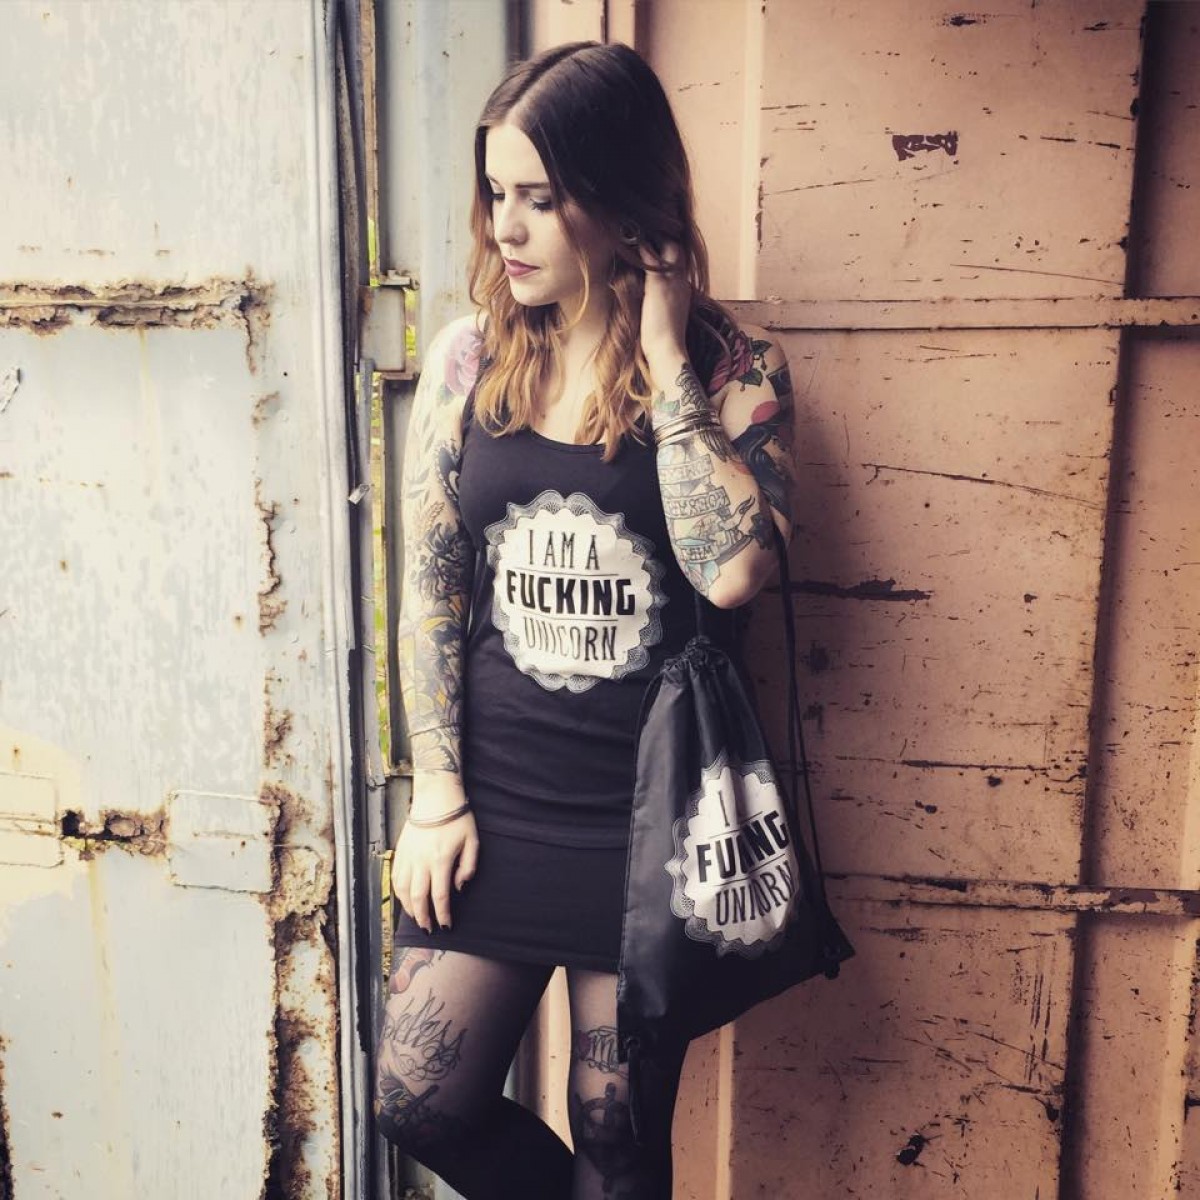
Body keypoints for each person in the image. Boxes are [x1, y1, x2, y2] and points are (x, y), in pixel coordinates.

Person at [376, 40, 796, 1200]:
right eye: (495, 194)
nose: (505, 229)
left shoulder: (733, 369)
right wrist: (436, 792)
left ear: (619, 200)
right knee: (418, 1097)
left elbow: (732, 574)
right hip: (496, 803)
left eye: (540, 198)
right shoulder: (470, 359)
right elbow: (430, 588)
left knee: (613, 1133)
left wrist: (661, 355)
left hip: (649, 817)